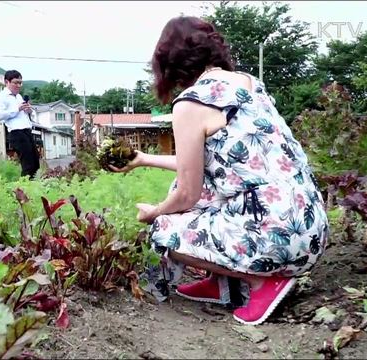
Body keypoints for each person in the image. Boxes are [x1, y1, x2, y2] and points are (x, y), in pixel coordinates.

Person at [111, 16, 329, 325]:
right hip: (311, 230)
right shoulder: (249, 84)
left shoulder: (190, 103)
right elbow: (219, 163)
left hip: (276, 240)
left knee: (164, 230)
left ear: (169, 63)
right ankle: (223, 283)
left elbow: (187, 192)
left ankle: (261, 282)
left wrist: (155, 213)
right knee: (208, 188)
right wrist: (144, 159)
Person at [0, 70, 40, 179]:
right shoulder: (2, 96)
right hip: (16, 133)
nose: (18, 85)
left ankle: (33, 185)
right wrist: (17, 109)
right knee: (28, 164)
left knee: (35, 162)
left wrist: (28, 110)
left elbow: (27, 114)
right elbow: (0, 115)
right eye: (15, 82)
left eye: (20, 83)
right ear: (7, 82)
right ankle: (24, 188)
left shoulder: (19, 97)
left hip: (27, 131)